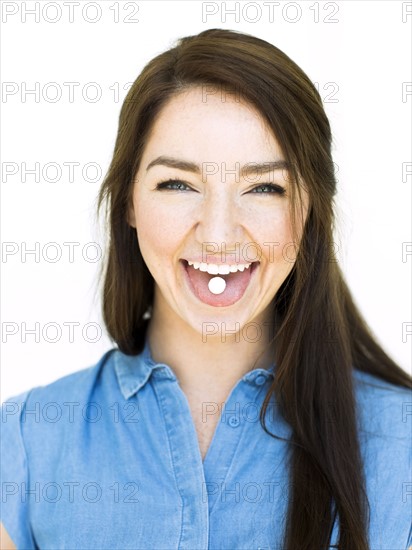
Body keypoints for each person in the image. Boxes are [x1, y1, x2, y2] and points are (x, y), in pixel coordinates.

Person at [1, 28, 411, 550]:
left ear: (308, 213)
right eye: (178, 184)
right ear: (129, 202)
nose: (218, 233)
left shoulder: (403, 447)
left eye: (264, 187)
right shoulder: (27, 443)